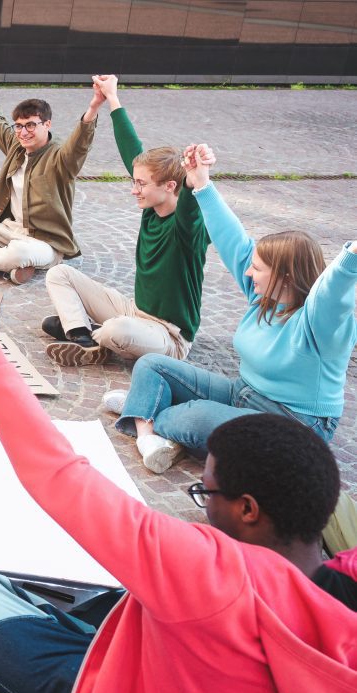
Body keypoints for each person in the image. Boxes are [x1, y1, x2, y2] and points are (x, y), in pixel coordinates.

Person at [0, 245, 357, 693]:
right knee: (117, 600)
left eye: (205, 492)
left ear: (249, 510)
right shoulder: (344, 580)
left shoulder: (203, 570)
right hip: (162, 640)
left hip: (106, 681)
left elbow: (56, 472)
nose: (200, 509)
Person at [108, 143, 355, 473]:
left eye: (257, 268)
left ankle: (145, 413)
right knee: (154, 364)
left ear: (285, 276)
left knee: (194, 417)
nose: (248, 272)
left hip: (294, 423)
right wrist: (201, 182)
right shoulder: (263, 297)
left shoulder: (320, 321)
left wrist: (352, 256)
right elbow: (231, 237)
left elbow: (336, 287)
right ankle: (147, 418)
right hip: (243, 393)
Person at [41, 74, 209, 367]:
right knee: (59, 274)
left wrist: (197, 177)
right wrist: (112, 98)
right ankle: (82, 334)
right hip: (134, 311)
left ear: (170, 186)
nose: (134, 190)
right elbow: (131, 149)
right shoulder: (151, 208)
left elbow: (192, 205)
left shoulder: (188, 227)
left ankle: (93, 333)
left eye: (141, 184)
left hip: (169, 335)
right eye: (135, 182)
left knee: (118, 330)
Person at [0, 53, 98, 285]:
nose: (23, 132)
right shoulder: (16, 145)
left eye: (31, 125)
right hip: (9, 231)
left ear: (47, 124)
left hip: (46, 243)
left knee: (20, 253)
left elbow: (80, 145)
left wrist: (94, 106)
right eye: (19, 126)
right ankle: (6, 267)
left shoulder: (60, 157)